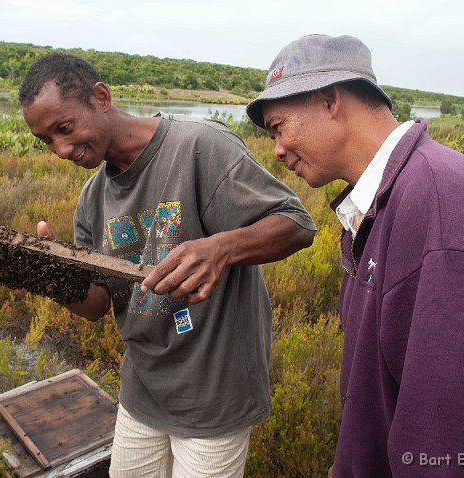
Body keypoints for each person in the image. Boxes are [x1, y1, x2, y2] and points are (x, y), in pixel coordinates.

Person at [18, 52, 316, 477]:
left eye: (64, 128)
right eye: (46, 140)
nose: (61, 149)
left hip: (213, 395)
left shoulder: (197, 146)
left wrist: (221, 248)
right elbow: (97, 304)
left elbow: (296, 223)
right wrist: (53, 276)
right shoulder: (91, 199)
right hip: (142, 393)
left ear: (100, 97)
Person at [246, 34, 464, 477]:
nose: (276, 149)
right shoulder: (386, 201)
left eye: (279, 127)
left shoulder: (440, 202)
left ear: (331, 100)